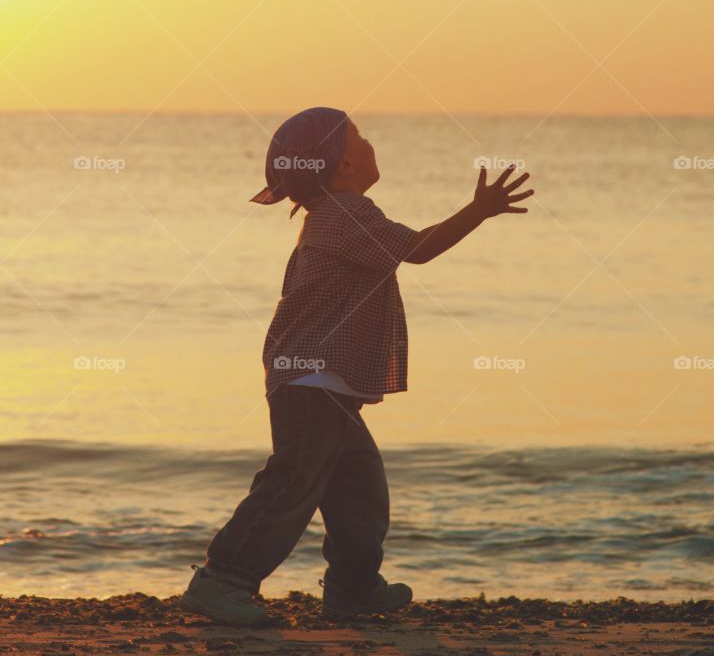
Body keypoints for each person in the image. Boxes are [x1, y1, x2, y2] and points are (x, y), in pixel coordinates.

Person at [180, 106, 533, 627]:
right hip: (310, 379)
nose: (370, 143)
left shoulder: (337, 216)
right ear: (342, 166)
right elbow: (419, 249)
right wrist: (477, 210)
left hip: (323, 381)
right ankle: (223, 580)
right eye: (360, 138)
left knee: (359, 488)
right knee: (292, 482)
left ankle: (353, 587)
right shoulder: (346, 214)